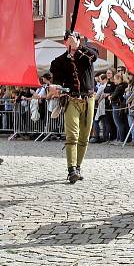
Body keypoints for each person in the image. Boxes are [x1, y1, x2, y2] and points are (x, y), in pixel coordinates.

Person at [48, 31, 97, 182]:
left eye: (75, 39)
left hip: (88, 99)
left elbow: (93, 56)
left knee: (84, 137)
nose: (72, 42)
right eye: (69, 40)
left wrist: (78, 47)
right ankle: (71, 170)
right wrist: (56, 87)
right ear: (65, 43)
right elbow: (57, 80)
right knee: (72, 135)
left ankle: (78, 166)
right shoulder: (58, 62)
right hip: (71, 99)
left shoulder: (87, 54)